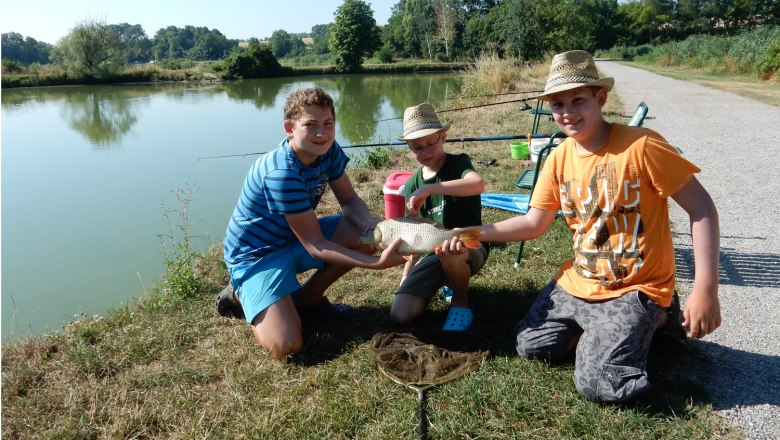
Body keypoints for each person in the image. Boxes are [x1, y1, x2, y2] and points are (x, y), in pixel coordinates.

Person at [442, 50, 721, 402]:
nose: (568, 112)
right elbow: (533, 223)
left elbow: (702, 209)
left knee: (597, 385)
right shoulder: (559, 157)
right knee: (530, 346)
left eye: (578, 100)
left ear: (600, 98)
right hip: (579, 280)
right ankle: (606, 333)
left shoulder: (642, 146)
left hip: (635, 285)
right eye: (558, 105)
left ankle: (660, 317)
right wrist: (470, 233)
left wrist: (705, 289)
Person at [218, 87, 406, 360]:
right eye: (311, 125)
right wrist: (377, 264)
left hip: (295, 237)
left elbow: (350, 199)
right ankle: (239, 292)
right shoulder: (281, 174)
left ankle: (308, 301)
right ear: (289, 128)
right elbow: (316, 244)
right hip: (256, 256)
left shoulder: (327, 150)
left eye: (328, 124)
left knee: (365, 234)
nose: (322, 133)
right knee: (286, 346)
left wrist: (380, 228)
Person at [389, 103, 489, 332]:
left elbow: (477, 184)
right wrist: (406, 276)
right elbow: (412, 238)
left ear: (443, 137)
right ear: (409, 148)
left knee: (450, 248)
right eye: (417, 148)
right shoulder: (413, 182)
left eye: (431, 144)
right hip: (433, 253)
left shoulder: (458, 163)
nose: (425, 152)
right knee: (401, 315)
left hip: (471, 243)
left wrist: (430, 189)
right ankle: (446, 281)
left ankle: (460, 302)